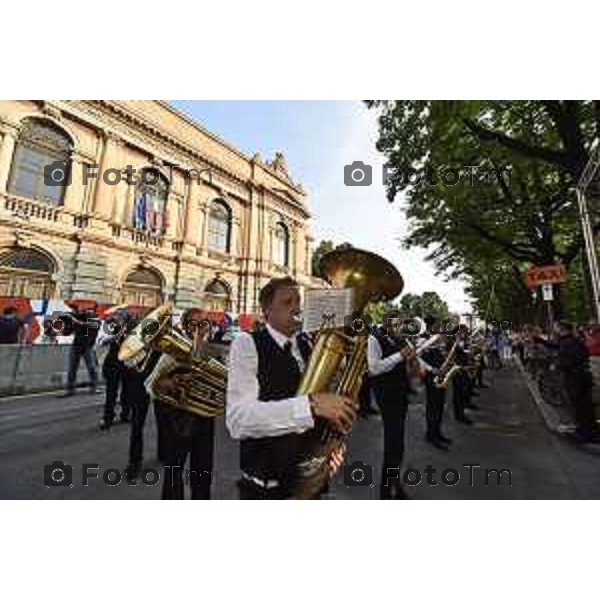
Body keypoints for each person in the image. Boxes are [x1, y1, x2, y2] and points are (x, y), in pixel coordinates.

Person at [226, 276, 352, 500]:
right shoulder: (247, 343)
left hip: (310, 477)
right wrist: (311, 405)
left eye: (298, 302)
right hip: (267, 487)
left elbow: (324, 410)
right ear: (266, 310)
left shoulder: (308, 344)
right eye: (287, 302)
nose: (296, 308)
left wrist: (332, 446)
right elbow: (238, 420)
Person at [145, 309, 217, 500]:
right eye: (193, 324)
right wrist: (168, 382)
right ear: (184, 327)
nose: (199, 329)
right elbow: (150, 384)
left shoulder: (212, 352)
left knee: (202, 472)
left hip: (205, 419)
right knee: (174, 472)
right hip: (178, 420)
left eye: (203, 324)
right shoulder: (172, 353)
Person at [368, 311, 414, 499]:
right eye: (395, 325)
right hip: (387, 395)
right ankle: (386, 493)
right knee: (391, 445)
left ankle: (396, 483)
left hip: (400, 394)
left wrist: (412, 361)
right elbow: (374, 368)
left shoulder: (400, 338)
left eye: (400, 325)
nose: (398, 329)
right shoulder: (374, 339)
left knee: (398, 445)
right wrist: (400, 356)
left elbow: (408, 365)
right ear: (386, 324)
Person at [539, 321, 599, 443]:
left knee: (580, 406)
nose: (554, 330)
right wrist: (540, 340)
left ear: (562, 329)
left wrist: (557, 365)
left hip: (576, 378)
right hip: (583, 376)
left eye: (556, 328)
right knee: (585, 405)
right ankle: (590, 431)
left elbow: (569, 360)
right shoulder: (571, 340)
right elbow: (558, 347)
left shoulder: (568, 342)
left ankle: (585, 434)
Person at [419, 322, 452, 450]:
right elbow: (419, 358)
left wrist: (447, 364)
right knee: (432, 407)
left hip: (441, 376)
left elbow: (443, 357)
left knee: (439, 406)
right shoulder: (425, 340)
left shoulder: (440, 341)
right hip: (431, 377)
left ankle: (437, 432)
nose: (441, 331)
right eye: (438, 328)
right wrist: (432, 369)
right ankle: (431, 435)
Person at [98, 312, 130, 430]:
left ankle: (125, 414)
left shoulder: (132, 331)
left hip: (126, 363)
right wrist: (116, 335)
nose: (118, 321)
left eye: (121, 319)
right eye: (117, 319)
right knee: (111, 393)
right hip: (112, 363)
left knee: (127, 391)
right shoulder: (111, 328)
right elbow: (101, 341)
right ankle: (107, 418)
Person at [60, 306, 101, 396]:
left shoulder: (95, 320)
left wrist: (78, 321)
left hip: (88, 346)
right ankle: (70, 390)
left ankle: (94, 387)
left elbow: (94, 325)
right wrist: (69, 318)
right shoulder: (78, 317)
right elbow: (68, 326)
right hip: (76, 345)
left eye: (89, 311)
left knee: (92, 368)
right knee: (72, 368)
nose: (86, 312)